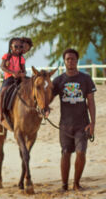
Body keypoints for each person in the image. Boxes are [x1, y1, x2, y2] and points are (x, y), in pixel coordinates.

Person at [50, 48, 96, 191]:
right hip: (65, 125)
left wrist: (92, 123)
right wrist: (44, 108)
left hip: (82, 125)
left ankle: (76, 183)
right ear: (64, 61)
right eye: (68, 59)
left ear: (77, 60)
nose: (70, 61)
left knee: (81, 152)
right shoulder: (58, 81)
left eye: (73, 59)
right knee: (65, 153)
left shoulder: (85, 78)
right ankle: (64, 185)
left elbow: (91, 102)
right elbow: (48, 100)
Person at [0, 38, 26, 124]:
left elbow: (24, 70)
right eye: (16, 46)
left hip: (18, 78)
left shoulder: (21, 58)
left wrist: (22, 74)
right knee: (3, 92)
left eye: (20, 46)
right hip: (9, 78)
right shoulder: (7, 56)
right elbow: (2, 66)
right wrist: (12, 73)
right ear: (11, 47)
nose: (18, 48)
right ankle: (0, 113)